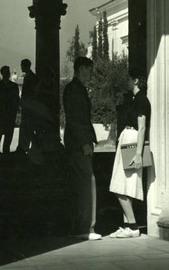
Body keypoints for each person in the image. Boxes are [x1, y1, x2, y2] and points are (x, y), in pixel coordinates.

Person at [109, 68, 151, 238]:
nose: (126, 81)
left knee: (120, 185)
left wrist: (139, 154)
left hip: (133, 141)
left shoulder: (141, 100)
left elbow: (142, 128)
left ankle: (133, 226)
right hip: (128, 139)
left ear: (135, 81)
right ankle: (128, 225)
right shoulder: (134, 99)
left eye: (128, 78)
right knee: (124, 185)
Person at [63, 56, 101, 241]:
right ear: (80, 69)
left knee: (81, 184)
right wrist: (85, 143)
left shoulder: (76, 89)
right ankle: (86, 228)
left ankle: (80, 227)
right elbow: (76, 119)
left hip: (78, 143)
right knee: (87, 182)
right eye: (88, 69)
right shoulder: (74, 90)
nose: (91, 73)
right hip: (79, 144)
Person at [16, 58, 39, 153]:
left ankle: (23, 147)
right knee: (28, 128)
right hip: (29, 107)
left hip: (28, 108)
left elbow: (28, 93)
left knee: (26, 127)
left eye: (22, 65)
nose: (21, 67)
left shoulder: (30, 77)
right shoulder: (31, 77)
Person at [0, 65, 20, 154]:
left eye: (8, 72)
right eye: (6, 72)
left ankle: (6, 155)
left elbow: (17, 100)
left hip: (10, 115)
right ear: (2, 73)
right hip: (1, 115)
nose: (8, 74)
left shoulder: (14, 86)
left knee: (8, 138)